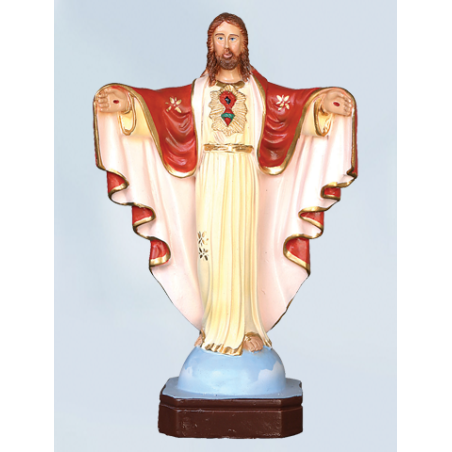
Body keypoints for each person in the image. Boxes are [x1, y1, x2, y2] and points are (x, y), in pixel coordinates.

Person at [93, 13, 357, 356]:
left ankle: (247, 327)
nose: (227, 46)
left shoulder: (257, 91)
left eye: (233, 38)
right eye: (220, 38)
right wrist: (128, 105)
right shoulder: (198, 92)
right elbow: (160, 111)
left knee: (242, 250)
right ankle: (215, 326)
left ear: (245, 44)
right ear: (210, 44)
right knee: (210, 251)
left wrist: (322, 105)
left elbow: (292, 110)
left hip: (244, 175)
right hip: (211, 176)